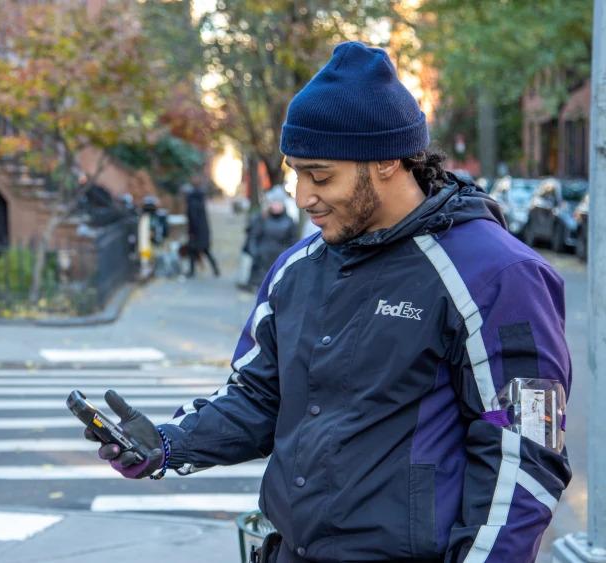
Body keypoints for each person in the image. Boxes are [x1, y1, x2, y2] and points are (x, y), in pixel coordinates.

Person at [83, 42, 571, 563]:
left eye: (320, 175)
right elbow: (257, 397)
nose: (302, 196)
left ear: (387, 160)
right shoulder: (298, 268)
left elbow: (524, 458)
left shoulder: (498, 274)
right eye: (295, 173)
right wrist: (168, 442)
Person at [246, 188, 298, 289]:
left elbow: (293, 241)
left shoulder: (289, 221)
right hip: (262, 262)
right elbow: (253, 237)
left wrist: (287, 257)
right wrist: (255, 253)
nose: (276, 205)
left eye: (278, 202)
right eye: (274, 202)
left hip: (280, 262)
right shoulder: (261, 219)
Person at [183, 180, 220, 277]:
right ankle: (215, 269)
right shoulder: (200, 200)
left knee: (192, 250)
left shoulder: (192, 203)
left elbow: (193, 220)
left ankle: (191, 272)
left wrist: (191, 232)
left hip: (196, 233)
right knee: (205, 250)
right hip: (204, 231)